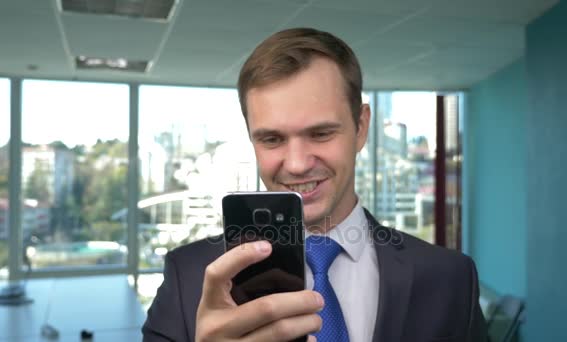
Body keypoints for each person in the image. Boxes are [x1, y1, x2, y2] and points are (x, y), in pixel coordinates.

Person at [142, 27, 487, 342]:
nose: (296, 164)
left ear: (362, 127)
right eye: (272, 139)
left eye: (321, 133)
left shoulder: (451, 278)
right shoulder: (188, 278)